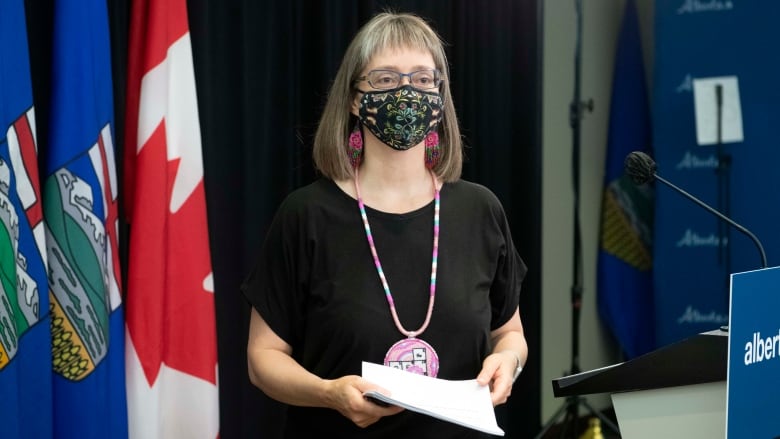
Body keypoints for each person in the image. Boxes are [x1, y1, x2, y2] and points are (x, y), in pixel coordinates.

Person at [242, 11, 528, 438]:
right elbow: (262, 358)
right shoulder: (306, 216)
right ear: (356, 98)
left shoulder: (480, 209)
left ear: (440, 95)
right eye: (386, 80)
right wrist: (327, 392)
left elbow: (510, 334)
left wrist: (510, 361)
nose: (407, 92)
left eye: (423, 79)